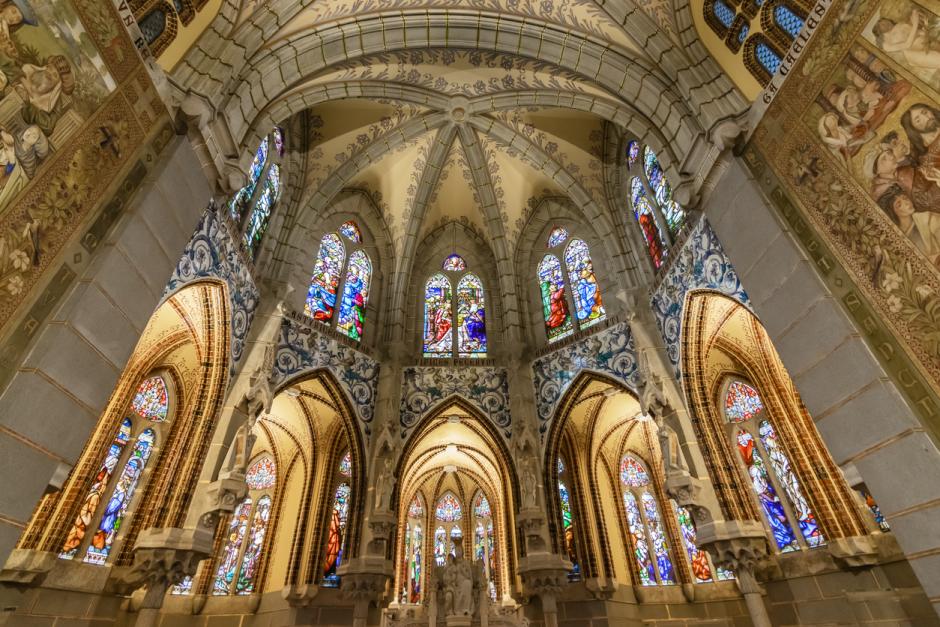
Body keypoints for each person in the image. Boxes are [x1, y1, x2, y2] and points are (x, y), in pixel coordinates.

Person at [872, 8, 940, 86]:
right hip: (913, 54)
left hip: (926, 43)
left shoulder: (901, 24)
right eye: (880, 24)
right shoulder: (885, 43)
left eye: (883, 21)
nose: (884, 23)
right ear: (878, 31)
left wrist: (924, 24)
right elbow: (907, 45)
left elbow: (920, 33)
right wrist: (915, 23)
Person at [879, 184, 940, 267]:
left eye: (905, 198)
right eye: (899, 204)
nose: (907, 203)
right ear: (893, 213)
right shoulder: (897, 237)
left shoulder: (928, 218)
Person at [899, 103, 940, 212]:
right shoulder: (926, 160)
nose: (926, 118)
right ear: (914, 130)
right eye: (918, 120)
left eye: (925, 112)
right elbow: (921, 200)